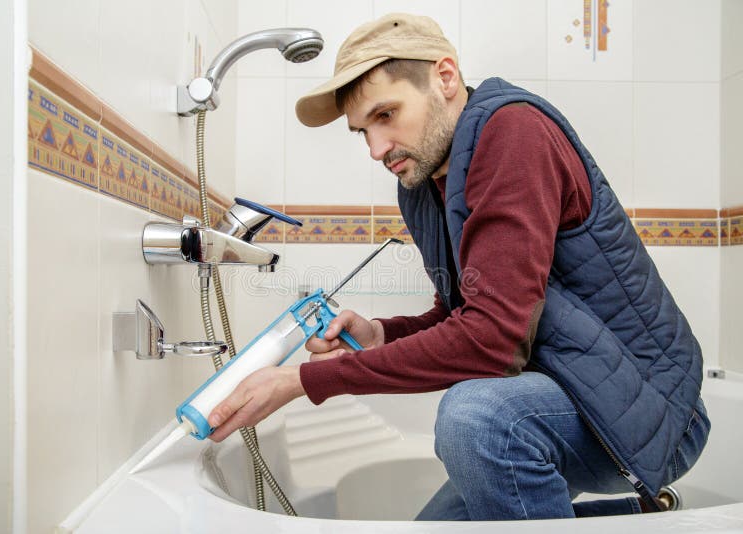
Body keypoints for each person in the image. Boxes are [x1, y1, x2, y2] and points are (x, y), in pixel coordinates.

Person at [207, 13, 710, 520]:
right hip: (566, 391)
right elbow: (466, 313)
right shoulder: (424, 186)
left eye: (386, 114)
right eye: (363, 131)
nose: (376, 149)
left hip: (650, 412)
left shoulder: (514, 132)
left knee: (475, 419)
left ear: (445, 78)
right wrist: (381, 334)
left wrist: (301, 380)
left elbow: (491, 342)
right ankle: (641, 519)